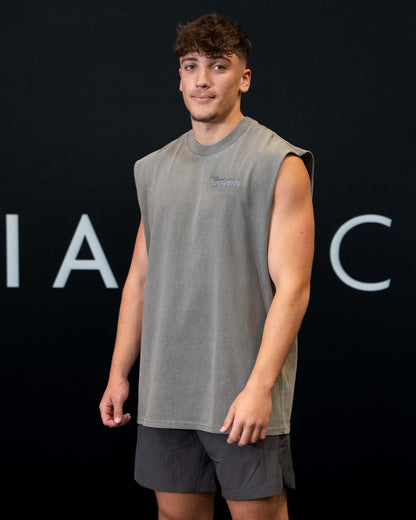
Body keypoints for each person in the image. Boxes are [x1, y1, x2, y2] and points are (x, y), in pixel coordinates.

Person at [99, 13, 314, 520]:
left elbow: (294, 288)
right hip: (166, 392)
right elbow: (140, 279)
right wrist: (118, 374)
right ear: (179, 76)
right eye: (191, 65)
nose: (201, 79)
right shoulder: (152, 169)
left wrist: (259, 389)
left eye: (218, 66)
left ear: (243, 78)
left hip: (242, 394)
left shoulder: (277, 162)